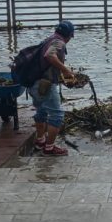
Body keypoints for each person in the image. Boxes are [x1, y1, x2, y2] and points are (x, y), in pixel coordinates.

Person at [31, 20, 77, 156]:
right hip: (45, 85)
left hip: (34, 83)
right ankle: (49, 148)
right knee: (57, 115)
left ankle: (40, 141)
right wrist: (65, 70)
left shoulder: (48, 39)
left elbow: (46, 62)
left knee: (41, 111)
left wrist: (61, 76)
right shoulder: (59, 42)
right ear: (70, 35)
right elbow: (50, 55)